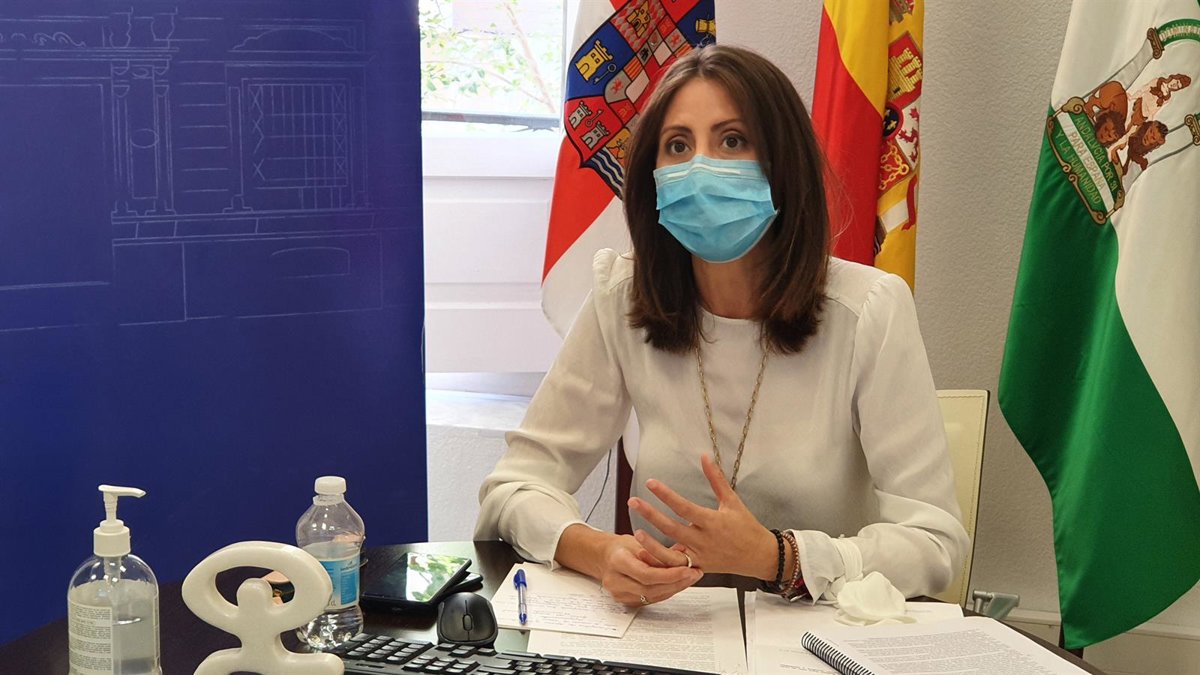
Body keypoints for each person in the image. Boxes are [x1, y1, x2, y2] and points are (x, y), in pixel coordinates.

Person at [475, 45, 968, 608]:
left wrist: (780, 558)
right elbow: (513, 488)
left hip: (816, 636)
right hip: (665, 633)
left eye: (732, 140)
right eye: (677, 146)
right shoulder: (622, 296)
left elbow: (935, 542)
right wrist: (597, 552)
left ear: (783, 163)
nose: (700, 167)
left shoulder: (870, 309)